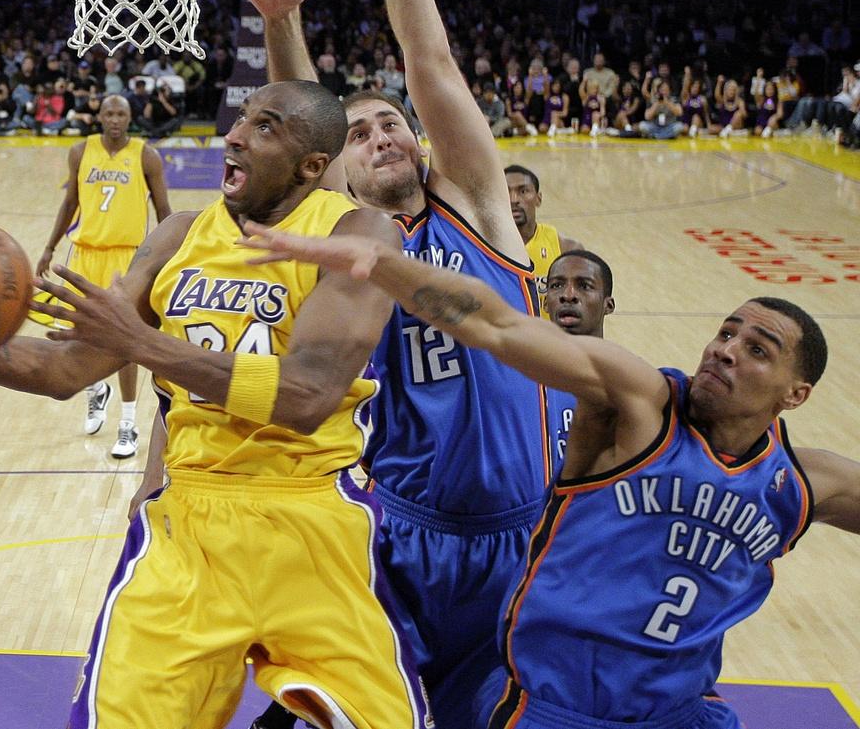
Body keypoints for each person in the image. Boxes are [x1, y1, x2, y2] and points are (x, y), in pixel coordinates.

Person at [0, 80, 430, 729]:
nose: (233, 133)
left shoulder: (356, 230)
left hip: (313, 521)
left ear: (312, 166)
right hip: (187, 529)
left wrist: (142, 342)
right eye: (241, 120)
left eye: (266, 126)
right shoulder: (177, 237)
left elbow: (308, 392)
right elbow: (70, 368)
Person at [238, 222, 860, 729]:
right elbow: (497, 325)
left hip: (677, 715)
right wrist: (380, 263)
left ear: (796, 394)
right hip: (554, 711)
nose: (725, 348)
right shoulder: (640, 405)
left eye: (758, 349)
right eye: (727, 332)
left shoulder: (803, 483)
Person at [236, 0, 547, 726]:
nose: (380, 136)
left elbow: (429, 59)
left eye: (392, 124)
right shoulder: (345, 237)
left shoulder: (477, 208)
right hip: (393, 534)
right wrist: (280, 17)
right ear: (328, 166)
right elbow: (305, 115)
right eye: (359, 133)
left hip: (520, 538)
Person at [35, 94, 171, 458]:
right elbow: (70, 203)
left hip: (127, 258)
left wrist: (171, 259)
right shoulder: (81, 151)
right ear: (99, 115)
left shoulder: (146, 155)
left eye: (121, 113)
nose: (114, 119)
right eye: (109, 113)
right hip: (86, 254)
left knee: (123, 344)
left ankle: (128, 423)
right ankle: (96, 389)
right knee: (74, 333)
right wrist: (49, 247)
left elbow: (165, 213)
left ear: (130, 117)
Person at [541, 250, 614, 468]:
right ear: (545, 303)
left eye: (584, 286)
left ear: (607, 305)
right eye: (556, 285)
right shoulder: (519, 379)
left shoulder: (628, 386)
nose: (568, 295)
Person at [506, 164, 582, 318]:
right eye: (506, 191)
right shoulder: (480, 247)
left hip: (551, 340)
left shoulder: (566, 248)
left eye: (523, 191)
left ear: (538, 199)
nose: (514, 199)